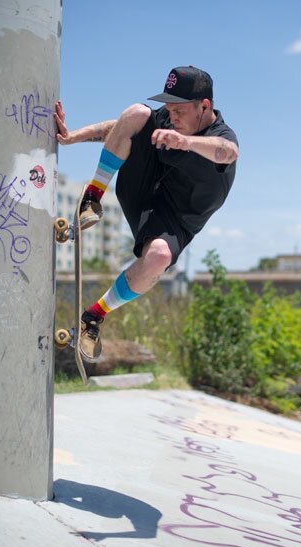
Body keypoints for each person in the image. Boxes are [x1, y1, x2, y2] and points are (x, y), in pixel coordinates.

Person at [54, 65, 239, 363]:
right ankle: (92, 198)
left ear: (204, 106)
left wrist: (187, 143)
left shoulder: (221, 135)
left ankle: (93, 317)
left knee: (159, 258)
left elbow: (227, 152)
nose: (172, 117)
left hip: (175, 220)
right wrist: (73, 136)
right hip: (141, 189)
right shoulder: (167, 119)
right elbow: (119, 127)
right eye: (169, 109)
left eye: (179, 111)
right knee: (137, 113)